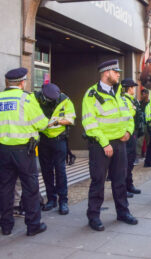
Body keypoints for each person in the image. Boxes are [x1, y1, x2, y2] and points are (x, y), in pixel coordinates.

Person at [82, 60, 137, 231]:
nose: (119, 74)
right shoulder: (91, 95)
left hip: (120, 143)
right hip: (101, 145)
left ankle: (123, 212)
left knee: (120, 180)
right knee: (98, 181)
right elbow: (89, 122)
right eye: (116, 71)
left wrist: (128, 130)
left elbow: (128, 115)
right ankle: (94, 216)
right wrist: (105, 143)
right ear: (106, 73)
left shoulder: (117, 94)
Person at [0, 68, 49, 236]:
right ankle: (33, 225)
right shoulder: (26, 99)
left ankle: (6, 226)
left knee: (5, 188)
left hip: (3, 151)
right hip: (24, 152)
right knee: (30, 188)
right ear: (22, 82)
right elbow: (41, 124)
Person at [35, 83, 76, 215]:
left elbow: (71, 119)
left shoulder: (64, 100)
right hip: (43, 140)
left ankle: (63, 201)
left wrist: (57, 122)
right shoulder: (36, 99)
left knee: (60, 171)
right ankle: (51, 200)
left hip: (59, 140)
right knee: (46, 171)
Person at [121, 78, 142, 197]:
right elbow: (128, 114)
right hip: (127, 133)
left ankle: (129, 184)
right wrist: (133, 110)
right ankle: (124, 188)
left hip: (133, 132)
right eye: (133, 87)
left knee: (131, 160)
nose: (134, 89)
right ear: (129, 88)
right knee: (127, 162)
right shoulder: (124, 99)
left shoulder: (131, 99)